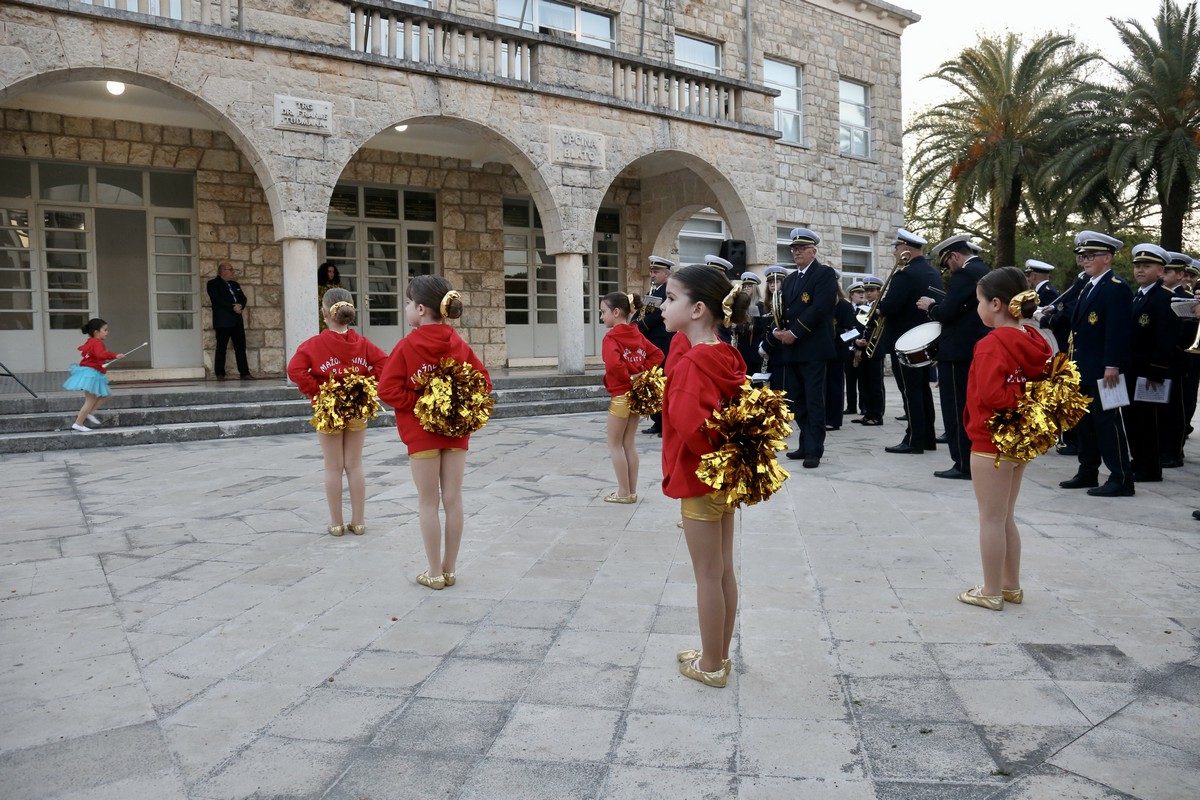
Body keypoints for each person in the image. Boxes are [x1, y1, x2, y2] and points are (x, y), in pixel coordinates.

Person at [659, 263, 751, 688]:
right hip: (725, 475)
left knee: (707, 575)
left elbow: (691, 428)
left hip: (700, 480)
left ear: (697, 309)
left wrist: (708, 459)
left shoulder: (692, 364)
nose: (663, 306)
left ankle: (711, 665)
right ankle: (718, 653)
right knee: (723, 570)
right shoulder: (725, 352)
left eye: (671, 298)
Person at [378, 275, 491, 590]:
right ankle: (450, 569)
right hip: (456, 433)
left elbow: (386, 389)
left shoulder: (407, 345)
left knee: (428, 502)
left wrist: (420, 404)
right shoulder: (457, 343)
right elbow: (484, 382)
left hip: (422, 435)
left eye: (408, 303)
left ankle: (434, 572)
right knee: (453, 499)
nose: (406, 308)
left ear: (421, 309)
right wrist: (451, 403)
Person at [959, 266, 1052, 610]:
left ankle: (991, 591)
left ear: (996, 304)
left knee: (991, 519)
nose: (978, 307)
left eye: (979, 301)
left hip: (990, 441)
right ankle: (1011, 586)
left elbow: (991, 396)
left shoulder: (990, 344)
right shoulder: (1035, 339)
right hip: (1021, 440)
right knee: (1006, 516)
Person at [287, 289, 389, 536]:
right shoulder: (362, 343)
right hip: (356, 407)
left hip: (328, 409)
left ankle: (336, 524)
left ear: (324, 314)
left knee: (333, 467)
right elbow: (384, 362)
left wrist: (318, 391)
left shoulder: (313, 345)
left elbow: (294, 370)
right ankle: (359, 522)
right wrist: (363, 384)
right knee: (355, 465)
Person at [1059, 231, 1135, 498]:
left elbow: (1118, 330)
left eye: (1091, 256)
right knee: (1085, 424)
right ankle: (1088, 469)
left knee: (1108, 425)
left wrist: (1112, 364)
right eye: (1083, 256)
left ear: (1108, 257)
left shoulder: (1116, 287)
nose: (1085, 260)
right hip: (1083, 368)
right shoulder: (1089, 286)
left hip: (1105, 370)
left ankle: (1121, 477)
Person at [762, 228, 837, 469]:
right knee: (797, 400)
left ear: (813, 251)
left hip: (812, 348)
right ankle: (805, 444)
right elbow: (781, 310)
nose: (797, 252)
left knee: (814, 400)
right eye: (794, 249)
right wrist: (777, 332)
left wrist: (794, 333)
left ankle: (814, 449)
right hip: (792, 349)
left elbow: (819, 308)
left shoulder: (824, 274)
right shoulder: (792, 278)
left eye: (802, 248)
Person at [918, 234, 991, 480]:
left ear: (955, 256)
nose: (949, 269)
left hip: (957, 351)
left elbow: (948, 312)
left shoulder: (964, 274)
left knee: (956, 409)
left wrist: (931, 306)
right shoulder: (984, 270)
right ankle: (975, 459)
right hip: (976, 348)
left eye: (948, 263)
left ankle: (962, 463)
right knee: (972, 407)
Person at [876, 229, 943, 454]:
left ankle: (914, 439)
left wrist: (880, 307)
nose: (894, 252)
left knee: (910, 390)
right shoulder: (933, 272)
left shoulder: (904, 274)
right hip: (926, 339)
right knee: (922, 389)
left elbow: (890, 306)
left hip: (905, 341)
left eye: (896, 248)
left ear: (906, 249)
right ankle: (928, 438)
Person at [600, 291, 664, 503]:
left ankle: (623, 492)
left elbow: (614, 366)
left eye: (603, 312)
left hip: (621, 395)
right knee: (628, 444)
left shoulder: (611, 337)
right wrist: (641, 373)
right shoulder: (637, 334)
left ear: (616, 312)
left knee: (615, 445)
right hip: (636, 396)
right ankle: (631, 491)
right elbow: (658, 354)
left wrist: (631, 376)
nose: (601, 317)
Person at [1125, 244, 1180, 484]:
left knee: (1149, 422)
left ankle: (1151, 468)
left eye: (1146, 266)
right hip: (1132, 369)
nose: (1140, 270)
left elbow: (1166, 339)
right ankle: (1138, 461)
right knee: (1133, 420)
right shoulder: (1136, 296)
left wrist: (1156, 371)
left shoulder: (1165, 298)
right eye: (1137, 266)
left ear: (1160, 271)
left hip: (1150, 372)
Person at [1162, 252, 1196, 468]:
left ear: (1180, 275)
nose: (1163, 275)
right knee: (1164, 407)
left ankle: (1174, 451)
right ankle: (1164, 448)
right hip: (1164, 359)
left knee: (1177, 406)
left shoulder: (1186, 297)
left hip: (1179, 359)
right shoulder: (1161, 295)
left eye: (1167, 271)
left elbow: (1186, 334)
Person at [637, 256, 676, 436]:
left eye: (656, 272)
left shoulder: (668, 292)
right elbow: (644, 310)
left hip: (662, 341)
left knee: (662, 381)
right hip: (651, 342)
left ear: (666, 273)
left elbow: (657, 315)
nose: (652, 275)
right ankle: (657, 421)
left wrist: (640, 327)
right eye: (652, 272)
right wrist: (634, 322)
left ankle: (665, 423)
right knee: (652, 381)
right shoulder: (653, 290)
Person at [63, 318, 124, 432]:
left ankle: (89, 413)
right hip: (91, 374)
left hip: (90, 372)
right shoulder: (97, 343)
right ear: (96, 332)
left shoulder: (91, 341)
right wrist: (114, 355)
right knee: (90, 400)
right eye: (105, 330)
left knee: (106, 394)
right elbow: (101, 355)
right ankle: (78, 423)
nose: (107, 332)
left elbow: (93, 356)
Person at [207, 261, 251, 379]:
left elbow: (243, 298)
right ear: (222, 271)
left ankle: (244, 373)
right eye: (230, 269)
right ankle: (220, 373)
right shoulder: (213, 284)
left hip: (237, 321)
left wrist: (240, 305)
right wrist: (233, 307)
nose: (232, 272)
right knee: (221, 348)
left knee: (240, 348)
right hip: (223, 321)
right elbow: (217, 300)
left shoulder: (235, 284)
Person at [852, 276, 886, 426]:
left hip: (875, 350)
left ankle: (877, 415)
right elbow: (857, 328)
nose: (868, 293)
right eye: (866, 290)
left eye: (872, 290)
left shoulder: (882, 307)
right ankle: (867, 413)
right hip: (862, 350)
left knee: (875, 384)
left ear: (879, 291)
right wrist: (856, 343)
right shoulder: (862, 308)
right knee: (864, 384)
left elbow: (878, 329)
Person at [826, 282, 858, 431]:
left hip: (837, 351)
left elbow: (849, 330)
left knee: (835, 386)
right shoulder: (821, 303)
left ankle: (834, 420)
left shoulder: (844, 305)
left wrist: (832, 329)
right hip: (821, 351)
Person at [317, 261, 345, 331]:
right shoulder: (318, 286)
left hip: (337, 315)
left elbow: (343, 298)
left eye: (333, 272)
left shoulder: (338, 286)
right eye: (329, 271)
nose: (332, 274)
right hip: (323, 316)